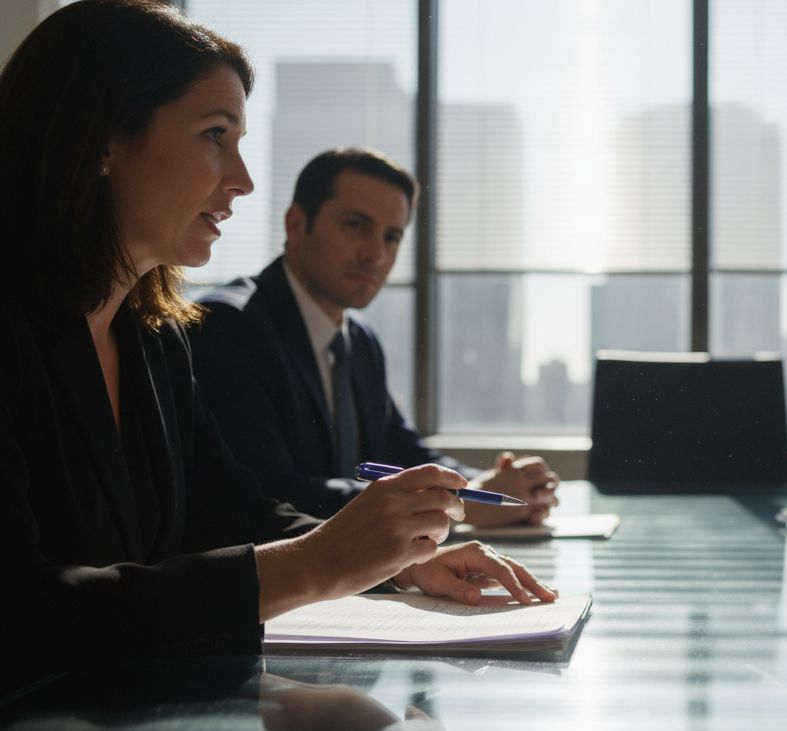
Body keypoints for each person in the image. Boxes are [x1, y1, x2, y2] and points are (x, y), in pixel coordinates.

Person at [0, 0, 555, 693]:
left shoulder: (156, 340)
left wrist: (395, 563)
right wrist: (315, 565)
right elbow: (18, 613)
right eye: (214, 135)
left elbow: (228, 510)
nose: (242, 179)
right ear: (102, 141)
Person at [189, 148, 558, 526]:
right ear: (296, 224)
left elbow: (404, 452)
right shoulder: (230, 325)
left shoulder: (360, 340)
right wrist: (452, 501)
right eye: (356, 225)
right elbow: (269, 491)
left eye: (392, 237)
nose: (377, 254)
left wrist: (490, 489)